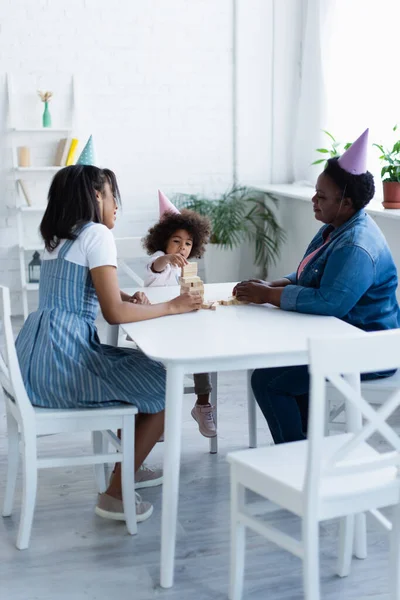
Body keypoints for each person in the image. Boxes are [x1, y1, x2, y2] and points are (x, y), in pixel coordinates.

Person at [15, 165, 202, 522]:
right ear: (96, 196)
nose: (117, 205)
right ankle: (116, 494)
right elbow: (114, 314)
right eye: (113, 195)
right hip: (64, 358)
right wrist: (173, 306)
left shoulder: (60, 237)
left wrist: (128, 295)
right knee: (165, 385)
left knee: (141, 370)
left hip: (38, 355)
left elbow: (88, 288)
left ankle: (129, 464)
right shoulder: (97, 234)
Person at [233, 129, 400, 444]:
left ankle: (296, 458)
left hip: (368, 350)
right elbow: (311, 273)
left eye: (321, 196)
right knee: (281, 368)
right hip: (342, 340)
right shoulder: (337, 226)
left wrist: (269, 295)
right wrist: (271, 285)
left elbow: (330, 301)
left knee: (268, 382)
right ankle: (308, 444)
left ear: (346, 202)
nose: (314, 200)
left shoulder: (357, 244)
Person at [142, 190, 217, 437]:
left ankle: (203, 403)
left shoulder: (186, 269)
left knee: (202, 351)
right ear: (163, 241)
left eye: (187, 244)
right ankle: (157, 412)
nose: (182, 248)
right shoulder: (159, 260)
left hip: (182, 325)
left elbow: (190, 294)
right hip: (157, 323)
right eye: (176, 241)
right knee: (158, 366)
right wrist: (168, 258)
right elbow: (157, 266)